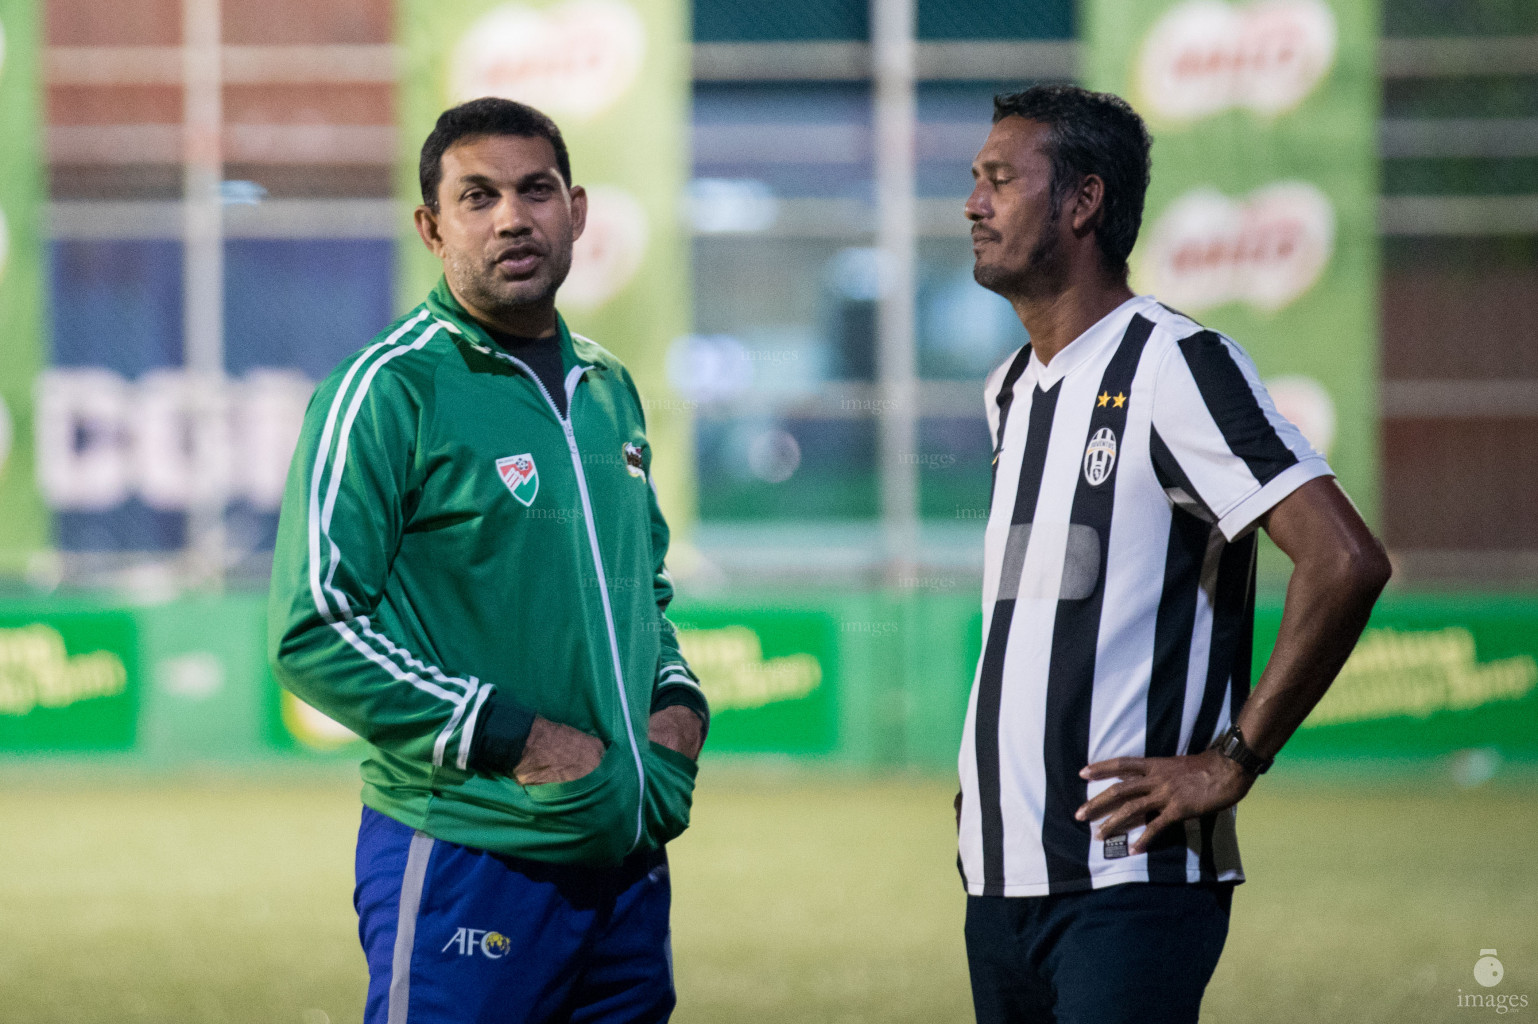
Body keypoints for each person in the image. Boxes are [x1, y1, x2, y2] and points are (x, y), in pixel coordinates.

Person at [955, 84, 1391, 1024]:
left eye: (999, 179)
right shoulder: (1008, 391)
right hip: (998, 883)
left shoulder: (1174, 363)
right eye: (974, 181)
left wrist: (1234, 759)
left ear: (1082, 202)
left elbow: (1344, 560)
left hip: (1132, 883)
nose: (973, 204)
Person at [268, 97, 708, 1024]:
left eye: (535, 190)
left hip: (625, 861)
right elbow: (314, 626)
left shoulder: (609, 387)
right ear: (432, 228)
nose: (513, 216)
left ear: (576, 211)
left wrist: (676, 704)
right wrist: (513, 737)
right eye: (478, 197)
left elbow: (644, 587)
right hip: (470, 852)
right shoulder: (388, 388)